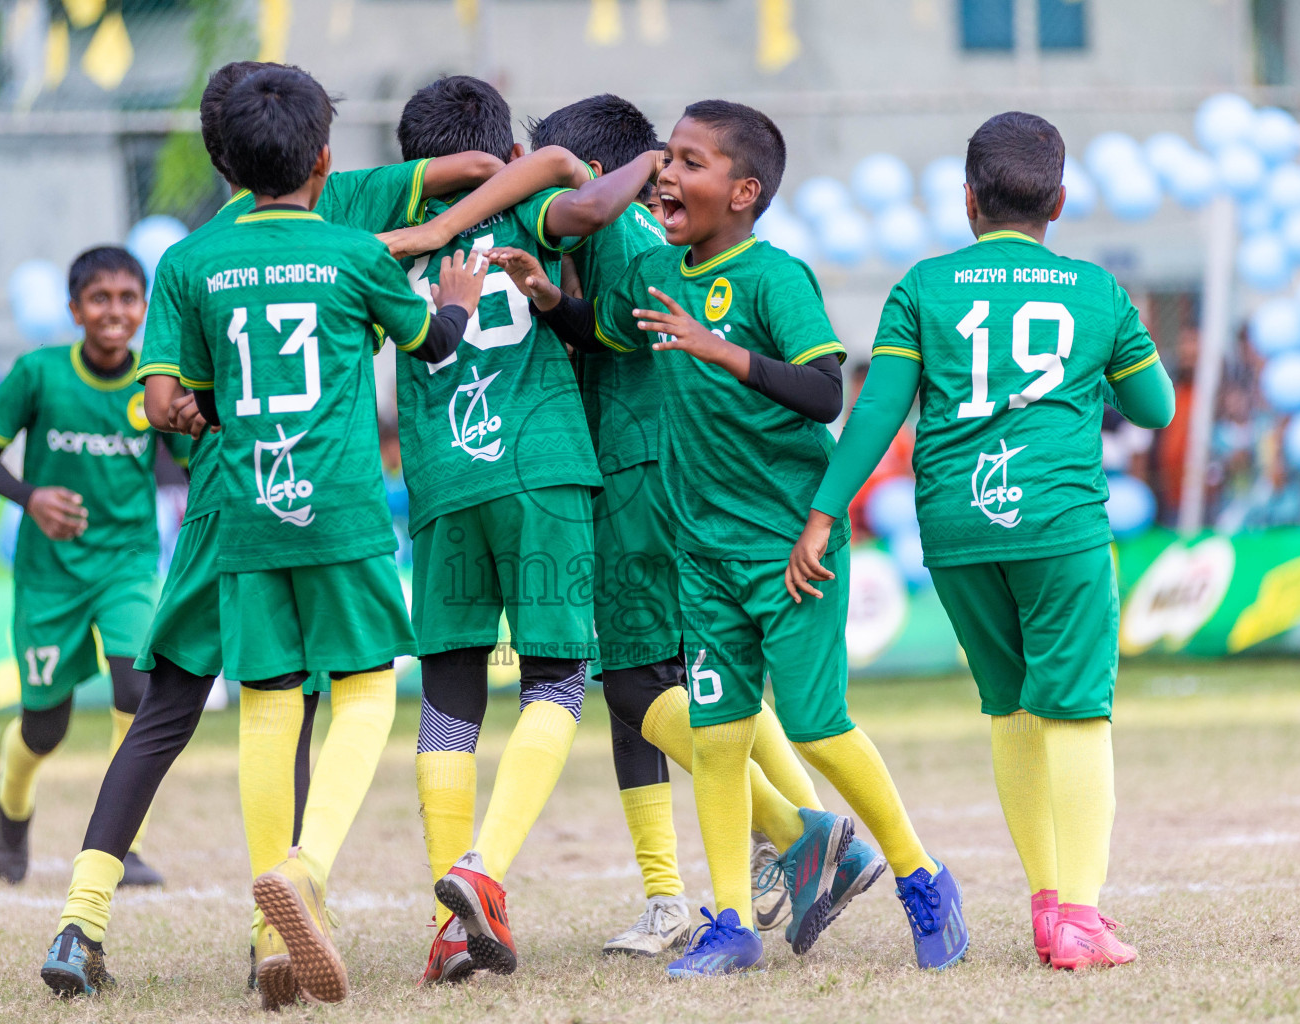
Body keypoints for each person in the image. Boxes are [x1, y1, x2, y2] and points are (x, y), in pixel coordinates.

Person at [37, 63, 490, 1005]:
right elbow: (474, 178)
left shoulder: (193, 258)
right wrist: (454, 235)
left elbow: (160, 400)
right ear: (325, 153)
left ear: (223, 158)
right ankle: (284, 907)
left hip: (227, 505)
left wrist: (192, 409)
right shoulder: (350, 221)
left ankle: (86, 922)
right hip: (320, 506)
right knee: (329, 697)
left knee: (193, 712)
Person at [490, 99, 963, 977]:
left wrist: (719, 350)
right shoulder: (655, 271)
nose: (666, 174)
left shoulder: (774, 277)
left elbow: (826, 392)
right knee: (715, 734)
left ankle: (922, 876)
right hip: (701, 552)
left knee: (819, 729)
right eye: (666, 158)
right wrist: (549, 295)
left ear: (743, 192)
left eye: (689, 162)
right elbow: (601, 330)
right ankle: (732, 923)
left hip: (790, 547)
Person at [438, 93, 865, 956]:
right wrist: (552, 299)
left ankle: (801, 834)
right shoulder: (635, 245)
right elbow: (601, 333)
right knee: (660, 685)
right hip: (637, 472)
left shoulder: (630, 239)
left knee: (639, 685)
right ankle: (689, 886)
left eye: (543, 169)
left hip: (641, 478)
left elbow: (632, 332)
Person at [788, 111, 1174, 970]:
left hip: (956, 528)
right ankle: (1079, 915)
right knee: (1077, 710)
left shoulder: (923, 287)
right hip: (1057, 523)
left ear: (967, 199)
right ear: (1061, 201)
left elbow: (878, 409)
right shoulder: (1098, 291)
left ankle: (1048, 906)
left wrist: (824, 510)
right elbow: (1155, 411)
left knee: (1011, 708)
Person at [373, 75, 665, 984]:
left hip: (441, 481)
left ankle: (446, 922)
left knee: (450, 697)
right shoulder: (526, 214)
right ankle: (480, 870)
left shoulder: (384, 249)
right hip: (539, 469)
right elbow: (583, 190)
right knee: (560, 679)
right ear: (498, 154)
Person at [0, 245, 184, 892]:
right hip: (49, 576)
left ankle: (123, 845)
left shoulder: (156, 385)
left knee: (136, 692)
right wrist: (31, 497)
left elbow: (193, 460)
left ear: (144, 308)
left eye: (127, 299)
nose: (114, 312)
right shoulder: (38, 374)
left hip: (127, 563)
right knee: (46, 726)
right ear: (75, 309)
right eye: (100, 299)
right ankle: (12, 802)